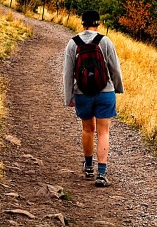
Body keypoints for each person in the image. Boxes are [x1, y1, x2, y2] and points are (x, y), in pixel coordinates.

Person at [62, 9, 124, 187]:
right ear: (98, 23)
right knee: (103, 131)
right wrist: (117, 88)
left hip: (83, 93)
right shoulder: (105, 41)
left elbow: (67, 74)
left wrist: (69, 97)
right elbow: (115, 69)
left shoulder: (73, 43)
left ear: (82, 23)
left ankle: (89, 167)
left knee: (88, 130)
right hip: (105, 92)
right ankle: (102, 174)